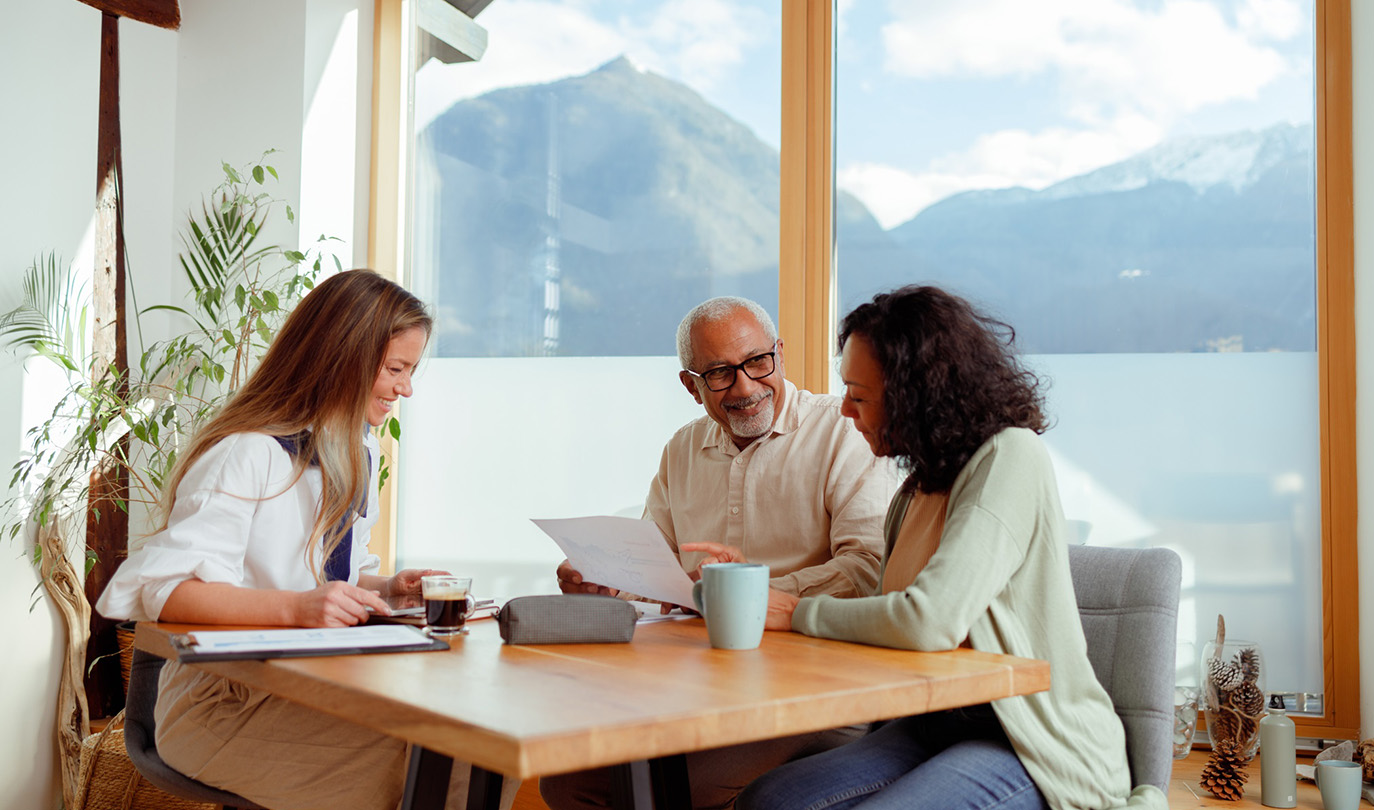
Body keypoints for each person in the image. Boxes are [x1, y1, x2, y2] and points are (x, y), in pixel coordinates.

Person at [738, 286, 1168, 810]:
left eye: (859, 394)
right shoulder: (916, 489)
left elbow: (929, 620)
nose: (845, 409)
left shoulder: (1010, 457)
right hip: (932, 725)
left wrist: (799, 614)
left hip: (1025, 739)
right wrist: (760, 593)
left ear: (913, 396)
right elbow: (883, 610)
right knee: (769, 799)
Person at [97, 270, 511, 810]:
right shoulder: (248, 453)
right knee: (446, 771)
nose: (406, 388)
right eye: (395, 369)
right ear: (344, 357)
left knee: (481, 759)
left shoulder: (355, 454)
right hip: (220, 704)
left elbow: (333, 573)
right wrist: (297, 609)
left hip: (309, 686)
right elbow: (166, 591)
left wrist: (388, 586)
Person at [543, 296, 896, 810]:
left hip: (812, 692)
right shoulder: (681, 450)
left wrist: (747, 591)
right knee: (566, 783)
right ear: (691, 385)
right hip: (695, 684)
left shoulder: (842, 432)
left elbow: (869, 571)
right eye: (720, 374)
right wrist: (604, 578)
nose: (747, 387)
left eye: (758, 362)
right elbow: (651, 564)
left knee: (676, 789)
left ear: (780, 353)